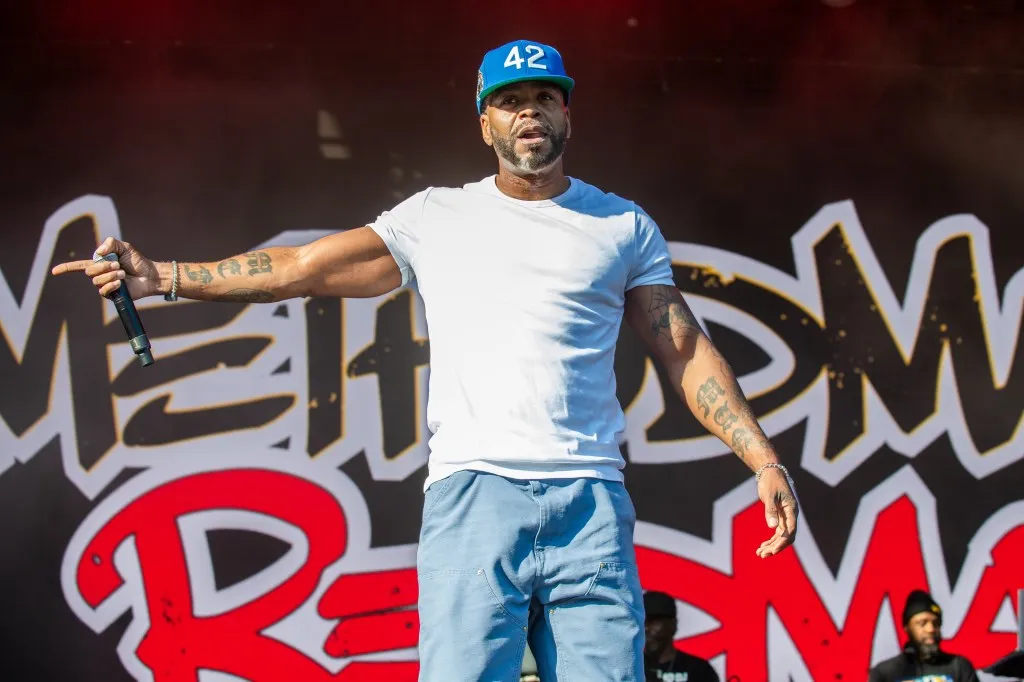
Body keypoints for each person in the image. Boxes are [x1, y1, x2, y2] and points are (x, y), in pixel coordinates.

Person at [52, 39, 799, 682]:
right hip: (475, 497)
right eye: (510, 101)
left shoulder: (621, 224)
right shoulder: (438, 217)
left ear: (570, 114)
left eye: (545, 97)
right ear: (485, 124)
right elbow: (302, 267)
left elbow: (684, 349)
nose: (529, 112)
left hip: (590, 503)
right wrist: (166, 278)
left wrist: (762, 458)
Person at [868, 590, 980, 682]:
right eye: (922, 623)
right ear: (907, 628)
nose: (930, 629)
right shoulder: (885, 672)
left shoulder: (959, 666)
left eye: (936, 623)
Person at [643, 591, 719, 682]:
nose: (646, 628)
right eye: (641, 622)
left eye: (653, 622)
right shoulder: (626, 668)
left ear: (673, 625)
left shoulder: (698, 670)